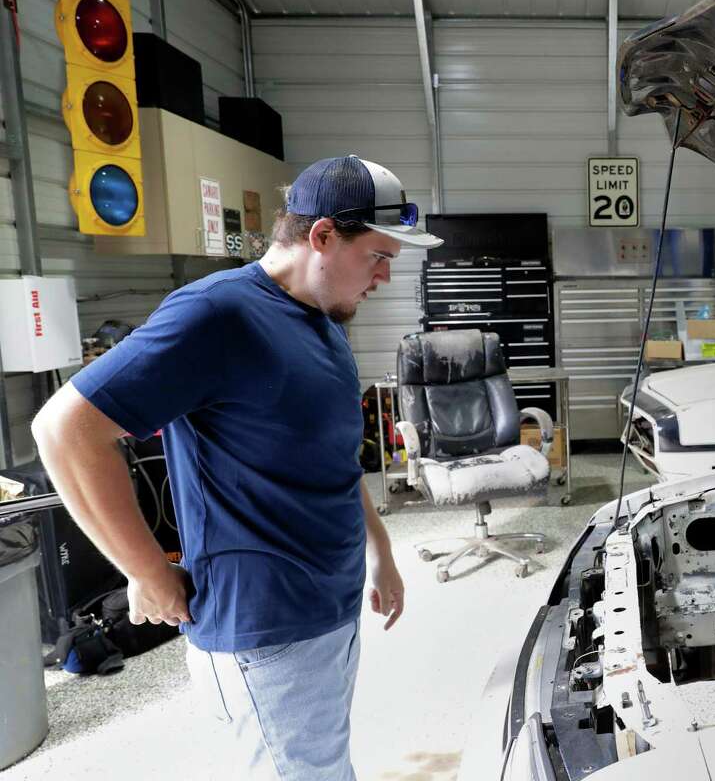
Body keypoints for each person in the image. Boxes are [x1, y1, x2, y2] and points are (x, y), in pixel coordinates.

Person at [32, 156, 444, 779]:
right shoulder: (215, 315)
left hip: (327, 609)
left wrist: (379, 551)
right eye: (378, 256)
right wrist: (144, 571)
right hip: (266, 632)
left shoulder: (324, 317)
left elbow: (330, 454)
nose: (385, 276)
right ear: (323, 236)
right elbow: (64, 430)